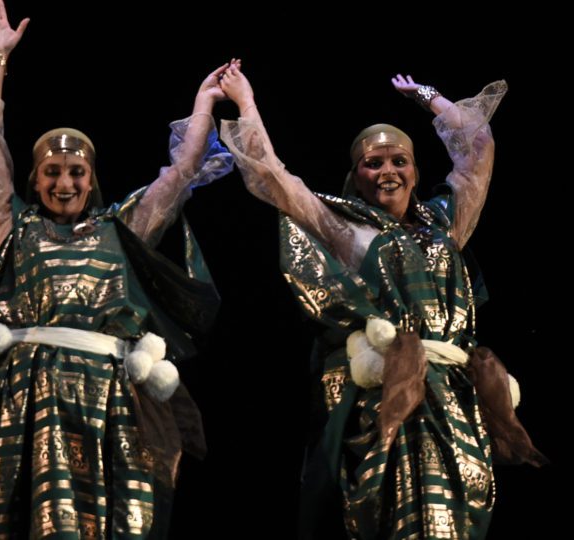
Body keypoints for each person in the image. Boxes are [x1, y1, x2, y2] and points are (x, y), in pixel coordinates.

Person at [0, 1, 235, 537]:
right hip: (27, 396)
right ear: (34, 179)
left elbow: (182, 172)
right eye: (52, 172)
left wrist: (204, 103)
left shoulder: (121, 229)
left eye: (75, 173)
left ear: (91, 180)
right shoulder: (11, 228)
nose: (64, 184)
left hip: (111, 400)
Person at [219, 65, 546, 538]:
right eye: (373, 163)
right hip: (385, 396)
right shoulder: (346, 229)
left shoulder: (446, 224)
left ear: (415, 172)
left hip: (454, 396)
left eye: (399, 161)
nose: (388, 171)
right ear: (356, 177)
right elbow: (271, 176)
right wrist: (245, 101)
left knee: (456, 516)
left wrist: (427, 96)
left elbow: (478, 147)